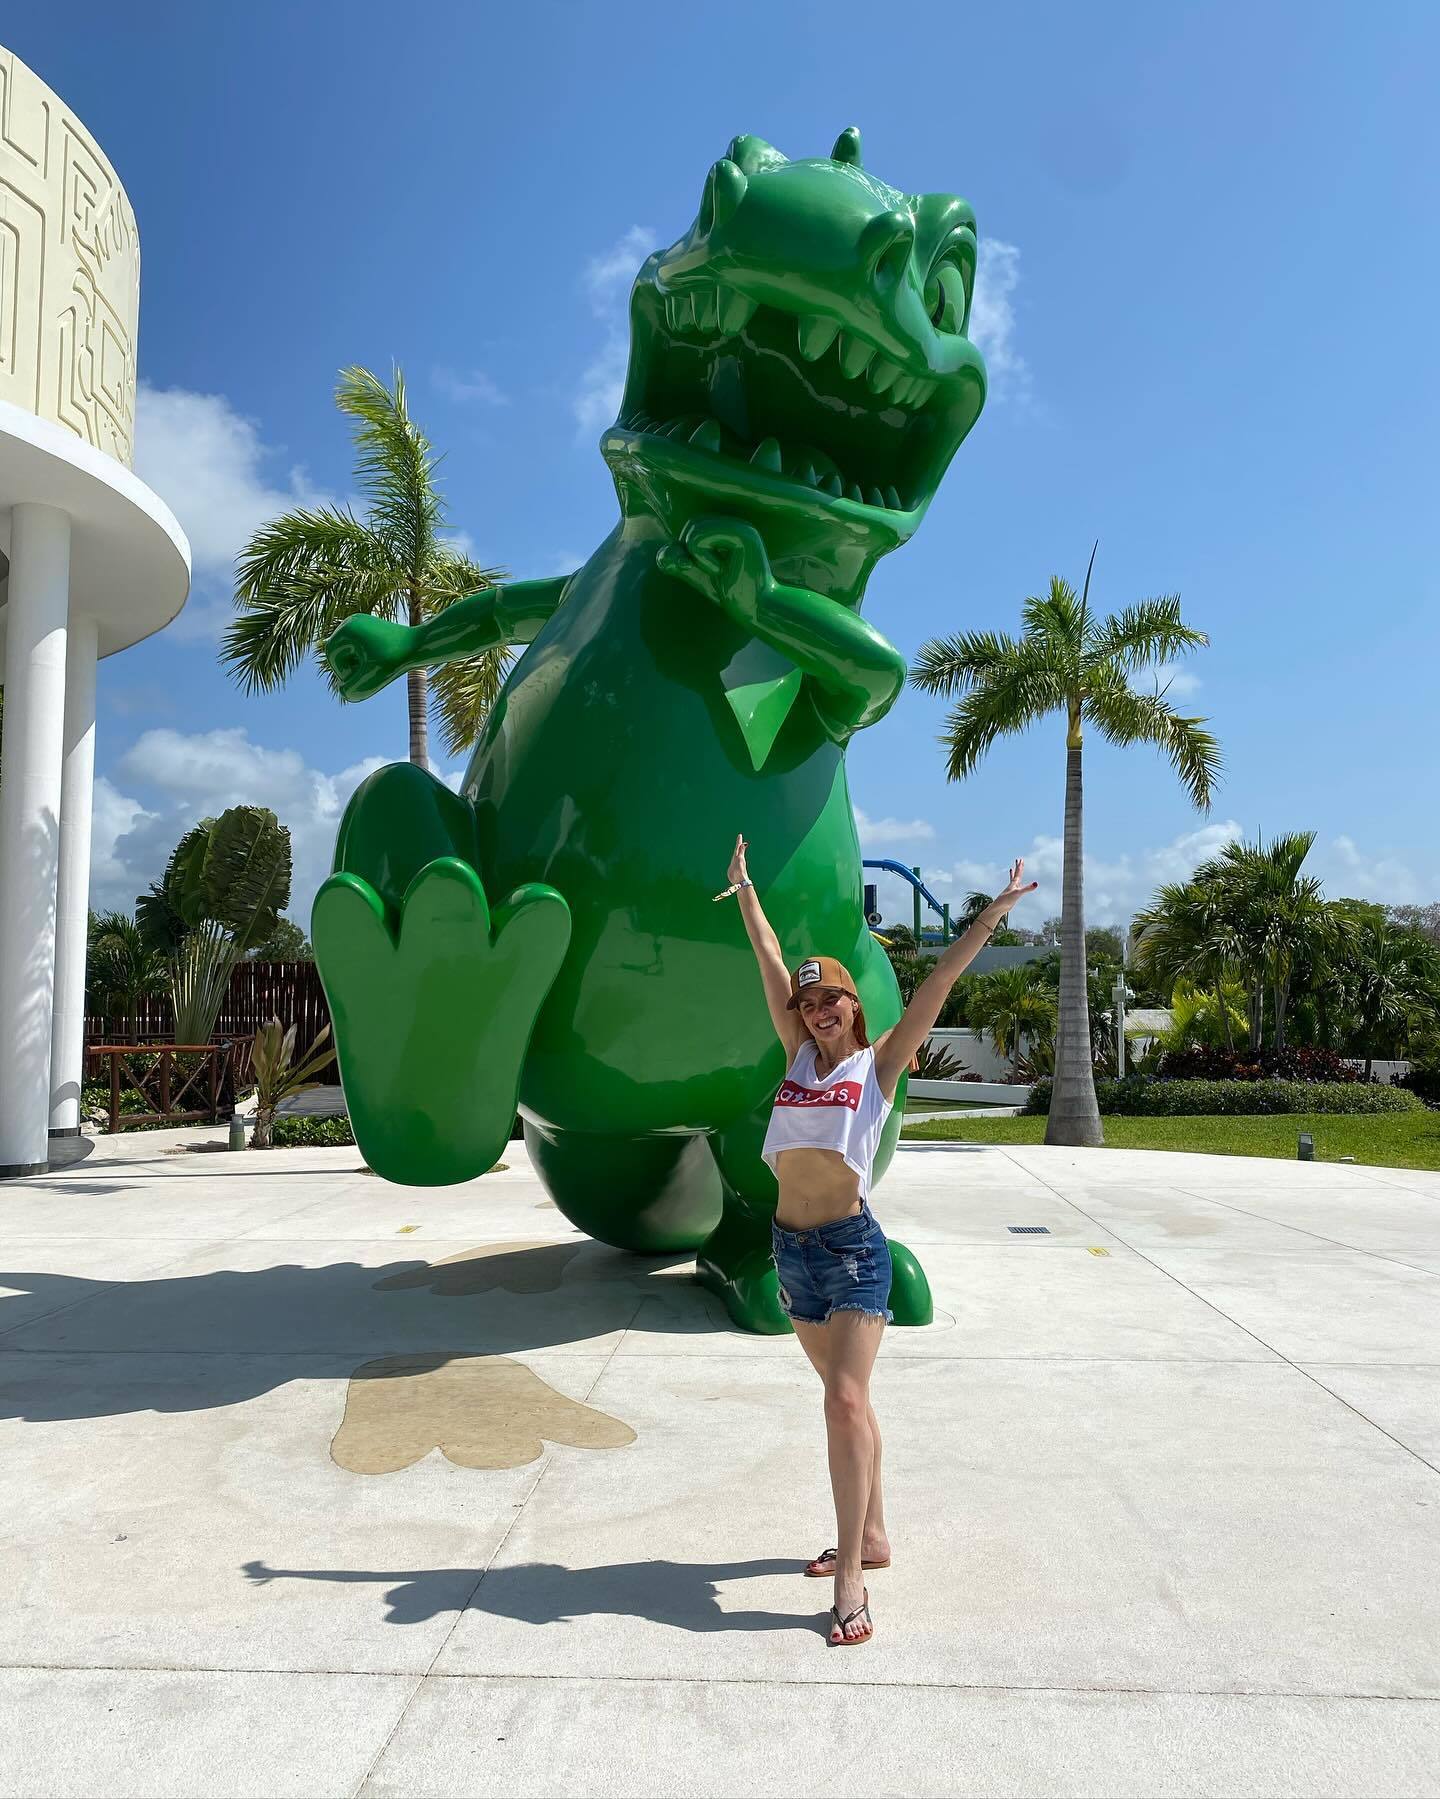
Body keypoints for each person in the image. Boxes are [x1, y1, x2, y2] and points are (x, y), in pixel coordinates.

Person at [722, 833, 1037, 1645]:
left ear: (853, 1004)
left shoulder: (878, 1067)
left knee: (844, 1400)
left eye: (831, 998)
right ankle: (873, 1534)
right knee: (850, 1403)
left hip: (853, 1252)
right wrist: (745, 889)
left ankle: (853, 1578)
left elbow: (938, 982)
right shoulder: (796, 1059)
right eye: (808, 1003)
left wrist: (993, 915)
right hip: (791, 1251)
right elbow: (767, 956)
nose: (818, 1010)